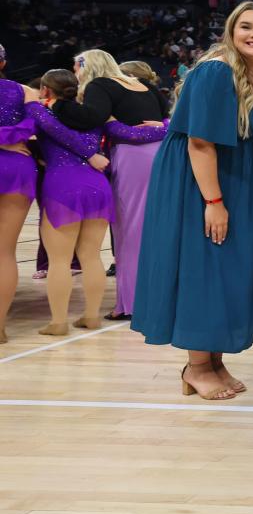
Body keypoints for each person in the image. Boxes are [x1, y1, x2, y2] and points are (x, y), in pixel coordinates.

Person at [133, 2, 253, 401]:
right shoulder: (216, 70)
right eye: (246, 27)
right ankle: (197, 366)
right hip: (201, 181)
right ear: (231, 32)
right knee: (204, 267)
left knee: (226, 268)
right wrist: (213, 201)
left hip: (234, 177)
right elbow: (200, 142)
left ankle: (215, 361)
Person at [54, 50, 170, 320]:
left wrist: (57, 105)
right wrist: (160, 128)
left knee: (129, 231)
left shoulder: (100, 85)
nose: (75, 72)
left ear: (87, 65)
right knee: (155, 227)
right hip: (161, 155)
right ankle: (157, 299)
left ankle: (130, 304)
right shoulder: (145, 85)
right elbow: (166, 117)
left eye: (76, 66)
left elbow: (91, 117)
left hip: (132, 158)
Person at [26, 70, 117, 335]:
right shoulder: (94, 116)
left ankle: (58, 322)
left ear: (45, 90)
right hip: (98, 186)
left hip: (62, 186)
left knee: (59, 260)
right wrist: (164, 125)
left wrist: (30, 99)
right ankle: (91, 316)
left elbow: (56, 130)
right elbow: (124, 131)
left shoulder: (41, 112)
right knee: (91, 257)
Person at [0, 46, 39, 343]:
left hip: (14, 160)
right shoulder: (25, 90)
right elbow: (36, 126)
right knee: (5, 252)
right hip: (17, 165)